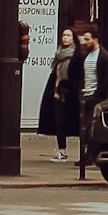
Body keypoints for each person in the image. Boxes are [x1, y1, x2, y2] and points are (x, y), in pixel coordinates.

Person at [37, 29, 78, 163]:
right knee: (59, 121)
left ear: (73, 38)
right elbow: (55, 74)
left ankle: (86, 153)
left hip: (71, 93)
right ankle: (62, 150)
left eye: (68, 35)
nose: (65, 38)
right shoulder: (59, 54)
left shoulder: (76, 55)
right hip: (58, 92)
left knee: (76, 122)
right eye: (64, 35)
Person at [74, 26, 108, 146]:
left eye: (88, 39)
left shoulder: (104, 57)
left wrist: (97, 96)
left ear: (95, 39)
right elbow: (80, 76)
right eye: (84, 40)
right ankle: (85, 155)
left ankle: (89, 154)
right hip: (85, 95)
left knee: (91, 126)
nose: (85, 42)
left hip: (96, 97)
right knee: (83, 128)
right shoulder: (85, 56)